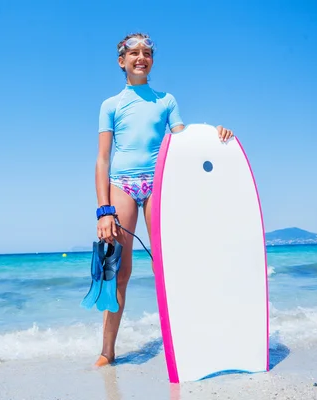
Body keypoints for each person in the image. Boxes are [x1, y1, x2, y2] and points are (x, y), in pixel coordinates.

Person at [93, 33, 235, 367]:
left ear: (151, 60)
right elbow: (102, 160)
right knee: (119, 271)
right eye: (134, 53)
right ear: (121, 61)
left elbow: (184, 142)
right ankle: (107, 351)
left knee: (170, 266)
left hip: (160, 182)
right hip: (123, 185)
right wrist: (104, 211)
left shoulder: (166, 100)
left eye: (147, 53)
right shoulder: (110, 105)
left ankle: (191, 338)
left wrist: (215, 136)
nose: (140, 57)